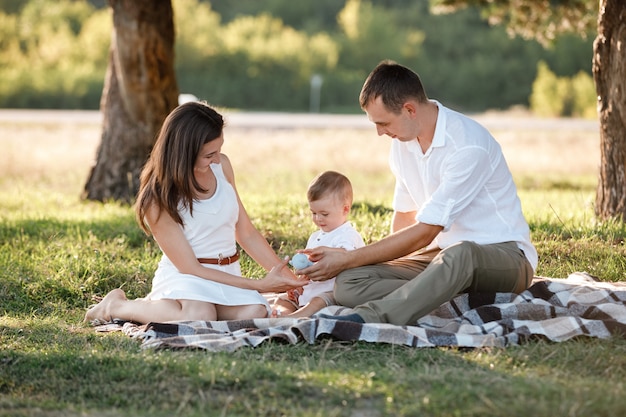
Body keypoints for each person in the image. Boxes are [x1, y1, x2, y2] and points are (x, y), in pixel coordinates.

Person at [299, 60, 538, 326]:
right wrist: (371, 267)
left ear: (409, 109)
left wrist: (348, 258)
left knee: (460, 253)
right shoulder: (402, 143)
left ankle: (370, 316)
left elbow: (426, 231)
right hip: (440, 257)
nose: (379, 132)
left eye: (383, 123)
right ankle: (439, 294)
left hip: (504, 258)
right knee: (349, 282)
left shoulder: (468, 145)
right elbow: (405, 215)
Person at [85, 101, 301, 325]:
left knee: (254, 313)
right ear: (184, 152)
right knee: (199, 316)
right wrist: (259, 285)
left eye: (219, 150)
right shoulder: (156, 197)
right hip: (187, 278)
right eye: (209, 155)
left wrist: (292, 281)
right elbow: (190, 267)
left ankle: (178, 309)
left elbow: (246, 233)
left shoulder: (222, 166)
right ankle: (116, 305)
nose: (217, 159)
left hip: (228, 274)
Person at [272, 171, 365, 318]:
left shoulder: (348, 235)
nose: (318, 218)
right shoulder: (316, 236)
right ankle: (281, 313)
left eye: (324, 214)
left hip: (332, 291)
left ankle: (293, 318)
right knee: (283, 298)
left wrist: (326, 252)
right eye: (313, 213)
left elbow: (348, 256)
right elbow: (310, 267)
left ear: (345, 209)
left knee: (317, 302)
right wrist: (299, 283)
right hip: (310, 289)